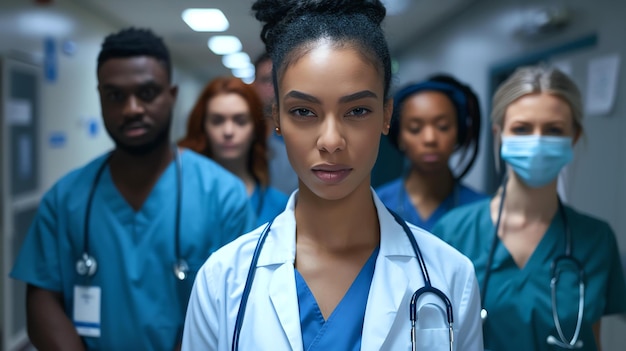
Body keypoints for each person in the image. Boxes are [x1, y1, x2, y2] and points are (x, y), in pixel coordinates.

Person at [182, 1, 483, 350]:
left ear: (386, 115)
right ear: (276, 116)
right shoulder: (223, 279)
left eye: (357, 110)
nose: (331, 141)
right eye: (304, 111)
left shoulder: (450, 275)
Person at [10, 28, 255, 350]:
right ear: (100, 97)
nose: (131, 109)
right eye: (115, 96)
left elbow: (238, 309)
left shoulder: (223, 197)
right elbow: (43, 299)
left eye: (147, 93)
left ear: (172, 94)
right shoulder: (64, 199)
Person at [432, 66, 626, 351]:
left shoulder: (596, 239)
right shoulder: (453, 232)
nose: (537, 141)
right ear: (499, 136)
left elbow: (591, 338)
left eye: (554, 130)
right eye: (521, 129)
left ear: (573, 137)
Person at [376, 74, 486, 231]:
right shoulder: (375, 205)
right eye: (415, 129)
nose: (430, 139)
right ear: (399, 137)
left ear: (459, 134)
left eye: (443, 127)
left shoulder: (482, 212)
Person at [178, 76, 288, 226]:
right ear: (203, 128)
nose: (228, 131)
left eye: (240, 121)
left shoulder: (281, 207)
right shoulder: (181, 196)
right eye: (217, 121)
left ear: (255, 129)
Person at [253, 51, 299, 195]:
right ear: (255, 85)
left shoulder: (308, 135)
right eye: (267, 80)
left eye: (279, 80)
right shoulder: (242, 135)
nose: (274, 88)